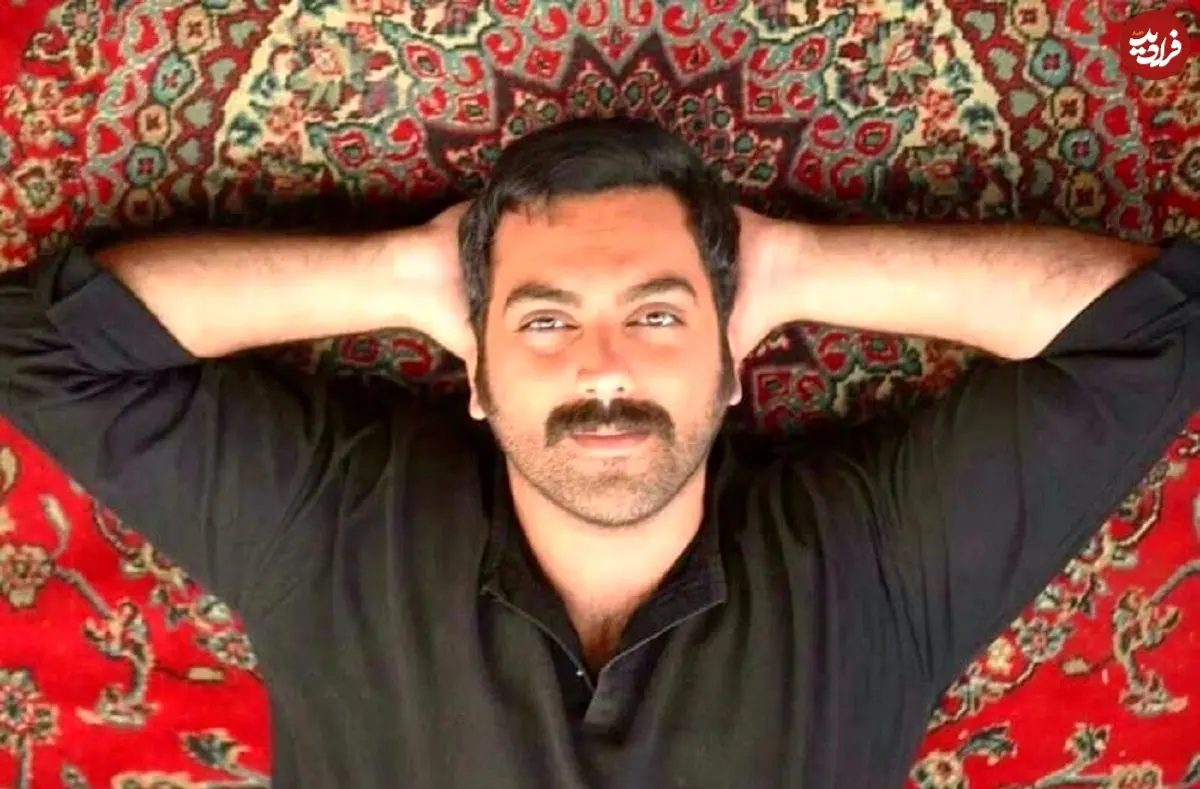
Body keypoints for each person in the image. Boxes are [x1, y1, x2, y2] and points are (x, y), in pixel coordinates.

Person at [0, 116, 1197, 789]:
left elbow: (1161, 334)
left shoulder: (872, 570)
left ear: (735, 361)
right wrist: (398, 274)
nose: (604, 367)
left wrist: (793, 265)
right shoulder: (332, 533)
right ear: (474, 372)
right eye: (545, 323)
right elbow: (30, 348)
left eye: (658, 315)